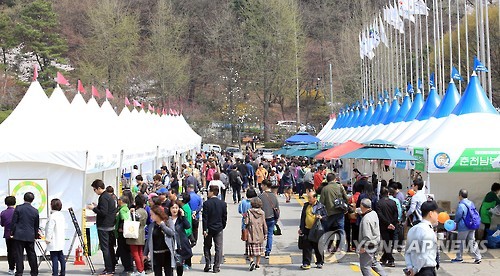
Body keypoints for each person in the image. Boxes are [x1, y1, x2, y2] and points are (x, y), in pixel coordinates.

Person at [87, 179, 118, 275]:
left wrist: (94, 209)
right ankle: (111, 267)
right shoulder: (109, 197)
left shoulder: (103, 197)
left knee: (105, 249)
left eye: (94, 189)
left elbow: (103, 212)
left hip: (104, 226)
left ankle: (109, 269)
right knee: (109, 247)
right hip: (110, 225)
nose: (94, 191)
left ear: (99, 188)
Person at [405, 201, 440, 276]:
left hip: (414, 270)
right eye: (436, 212)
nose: (438, 215)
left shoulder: (412, 229)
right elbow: (424, 255)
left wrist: (410, 267)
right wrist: (415, 270)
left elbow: (407, 252)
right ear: (431, 213)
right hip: (426, 271)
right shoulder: (427, 231)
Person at [10, 192, 40, 276]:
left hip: (19, 235)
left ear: (24, 198)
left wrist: (12, 232)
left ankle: (19, 272)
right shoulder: (35, 211)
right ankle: (34, 272)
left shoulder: (18, 208)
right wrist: (36, 235)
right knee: (31, 254)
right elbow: (36, 225)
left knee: (19, 255)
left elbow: (14, 222)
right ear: (32, 200)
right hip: (30, 235)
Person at [144, 205, 176, 276]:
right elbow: (148, 240)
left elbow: (172, 233)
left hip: (167, 253)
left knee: (169, 273)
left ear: (157, 214)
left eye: (152, 214)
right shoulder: (152, 225)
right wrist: (145, 254)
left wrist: (162, 225)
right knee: (157, 273)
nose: (151, 216)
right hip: (156, 254)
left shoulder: (168, 221)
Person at [357, 198, 387, 276]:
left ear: (362, 206)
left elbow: (367, 236)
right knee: (373, 262)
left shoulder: (366, 219)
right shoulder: (373, 213)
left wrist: (363, 246)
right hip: (376, 241)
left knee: (365, 266)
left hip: (368, 244)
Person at [451, 189, 482, 264]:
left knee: (460, 242)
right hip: (472, 225)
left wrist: (455, 222)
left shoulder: (461, 205)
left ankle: (459, 258)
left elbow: (458, 216)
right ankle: (478, 257)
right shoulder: (471, 203)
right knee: (472, 242)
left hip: (463, 226)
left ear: (460, 196)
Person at [202, 186, 228, 273]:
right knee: (218, 248)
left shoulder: (206, 203)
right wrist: (222, 226)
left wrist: (204, 229)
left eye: (208, 191)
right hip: (219, 228)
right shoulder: (223, 204)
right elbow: (224, 217)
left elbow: (205, 218)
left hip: (209, 228)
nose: (208, 193)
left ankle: (208, 263)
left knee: (207, 246)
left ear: (212, 192)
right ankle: (216, 267)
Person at [298, 191, 327, 270]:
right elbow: (303, 217)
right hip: (307, 229)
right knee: (306, 247)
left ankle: (320, 262)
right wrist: (301, 228)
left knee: (317, 246)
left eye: (310, 197)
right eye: (308, 197)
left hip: (316, 230)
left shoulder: (321, 206)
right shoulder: (306, 205)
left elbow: (326, 217)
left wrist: (321, 217)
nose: (309, 199)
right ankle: (306, 263)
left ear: (315, 198)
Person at [168, 201, 193, 276]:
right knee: (169, 265)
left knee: (179, 265)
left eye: (176, 208)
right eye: (173, 208)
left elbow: (188, 226)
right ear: (169, 209)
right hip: (169, 245)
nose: (174, 210)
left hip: (180, 246)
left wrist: (183, 216)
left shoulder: (180, 219)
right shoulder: (167, 220)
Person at [376, 187, 398, 267]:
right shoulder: (393, 202)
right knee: (389, 243)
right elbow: (396, 214)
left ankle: (390, 260)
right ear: (388, 193)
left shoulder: (379, 203)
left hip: (384, 226)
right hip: (392, 226)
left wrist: (387, 223)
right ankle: (385, 258)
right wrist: (392, 223)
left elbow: (380, 215)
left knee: (386, 243)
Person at [126, 195, 148, 276]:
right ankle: (141, 269)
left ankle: (140, 270)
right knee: (140, 253)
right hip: (141, 233)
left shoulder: (137, 212)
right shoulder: (144, 211)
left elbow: (133, 219)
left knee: (135, 253)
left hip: (134, 233)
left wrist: (131, 212)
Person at [244, 197, 267, 271]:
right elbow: (264, 224)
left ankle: (251, 261)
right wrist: (265, 233)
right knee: (259, 251)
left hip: (251, 233)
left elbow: (246, 222)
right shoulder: (262, 213)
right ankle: (257, 264)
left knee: (250, 250)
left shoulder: (249, 212)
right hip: (260, 233)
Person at [258, 180, 279, 259]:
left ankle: (260, 250)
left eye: (262, 185)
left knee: (261, 235)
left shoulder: (260, 196)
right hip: (272, 218)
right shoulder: (274, 196)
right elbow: (277, 208)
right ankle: (268, 251)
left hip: (263, 219)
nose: (261, 186)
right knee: (270, 235)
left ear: (265, 185)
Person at [45, 199, 66, 276]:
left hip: (54, 240)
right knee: (61, 257)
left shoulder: (52, 216)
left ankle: (55, 273)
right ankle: (63, 272)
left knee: (54, 258)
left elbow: (50, 229)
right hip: (60, 239)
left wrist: (47, 238)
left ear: (52, 205)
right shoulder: (61, 215)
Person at [115, 196, 133, 274]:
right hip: (127, 233)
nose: (118, 201)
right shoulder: (126, 209)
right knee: (127, 251)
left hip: (122, 234)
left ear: (121, 201)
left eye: (119, 200)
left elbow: (124, 220)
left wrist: (121, 228)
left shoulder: (122, 210)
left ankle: (127, 268)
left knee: (124, 252)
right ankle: (129, 267)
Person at [238, 189, 258, 259]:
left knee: (246, 237)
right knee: (253, 237)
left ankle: (247, 251)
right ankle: (253, 251)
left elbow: (240, 211)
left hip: (245, 221)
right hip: (254, 222)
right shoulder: (256, 202)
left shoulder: (243, 202)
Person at [1, 196, 16, 274]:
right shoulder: (17, 211)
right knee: (18, 251)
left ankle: (11, 268)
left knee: (10, 251)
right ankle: (19, 267)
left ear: (6, 203)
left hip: (8, 234)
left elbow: (2, 224)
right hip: (17, 234)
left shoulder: (3, 213)